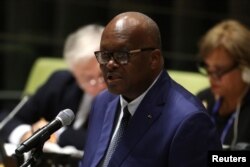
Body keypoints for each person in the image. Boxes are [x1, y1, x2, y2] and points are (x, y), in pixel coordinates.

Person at [79, 11, 222, 167]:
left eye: (122, 55)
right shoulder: (103, 101)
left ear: (153, 59)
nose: (110, 64)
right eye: (105, 55)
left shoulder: (188, 121)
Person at [0, 24, 106, 150]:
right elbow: (7, 119)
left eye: (102, 74)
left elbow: (107, 141)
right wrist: (25, 135)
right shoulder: (61, 82)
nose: (98, 83)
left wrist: (54, 133)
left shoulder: (123, 91)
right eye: (86, 78)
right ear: (74, 72)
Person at [197, 20, 250, 150]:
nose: (211, 78)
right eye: (208, 68)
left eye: (219, 70)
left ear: (245, 69)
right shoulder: (203, 99)